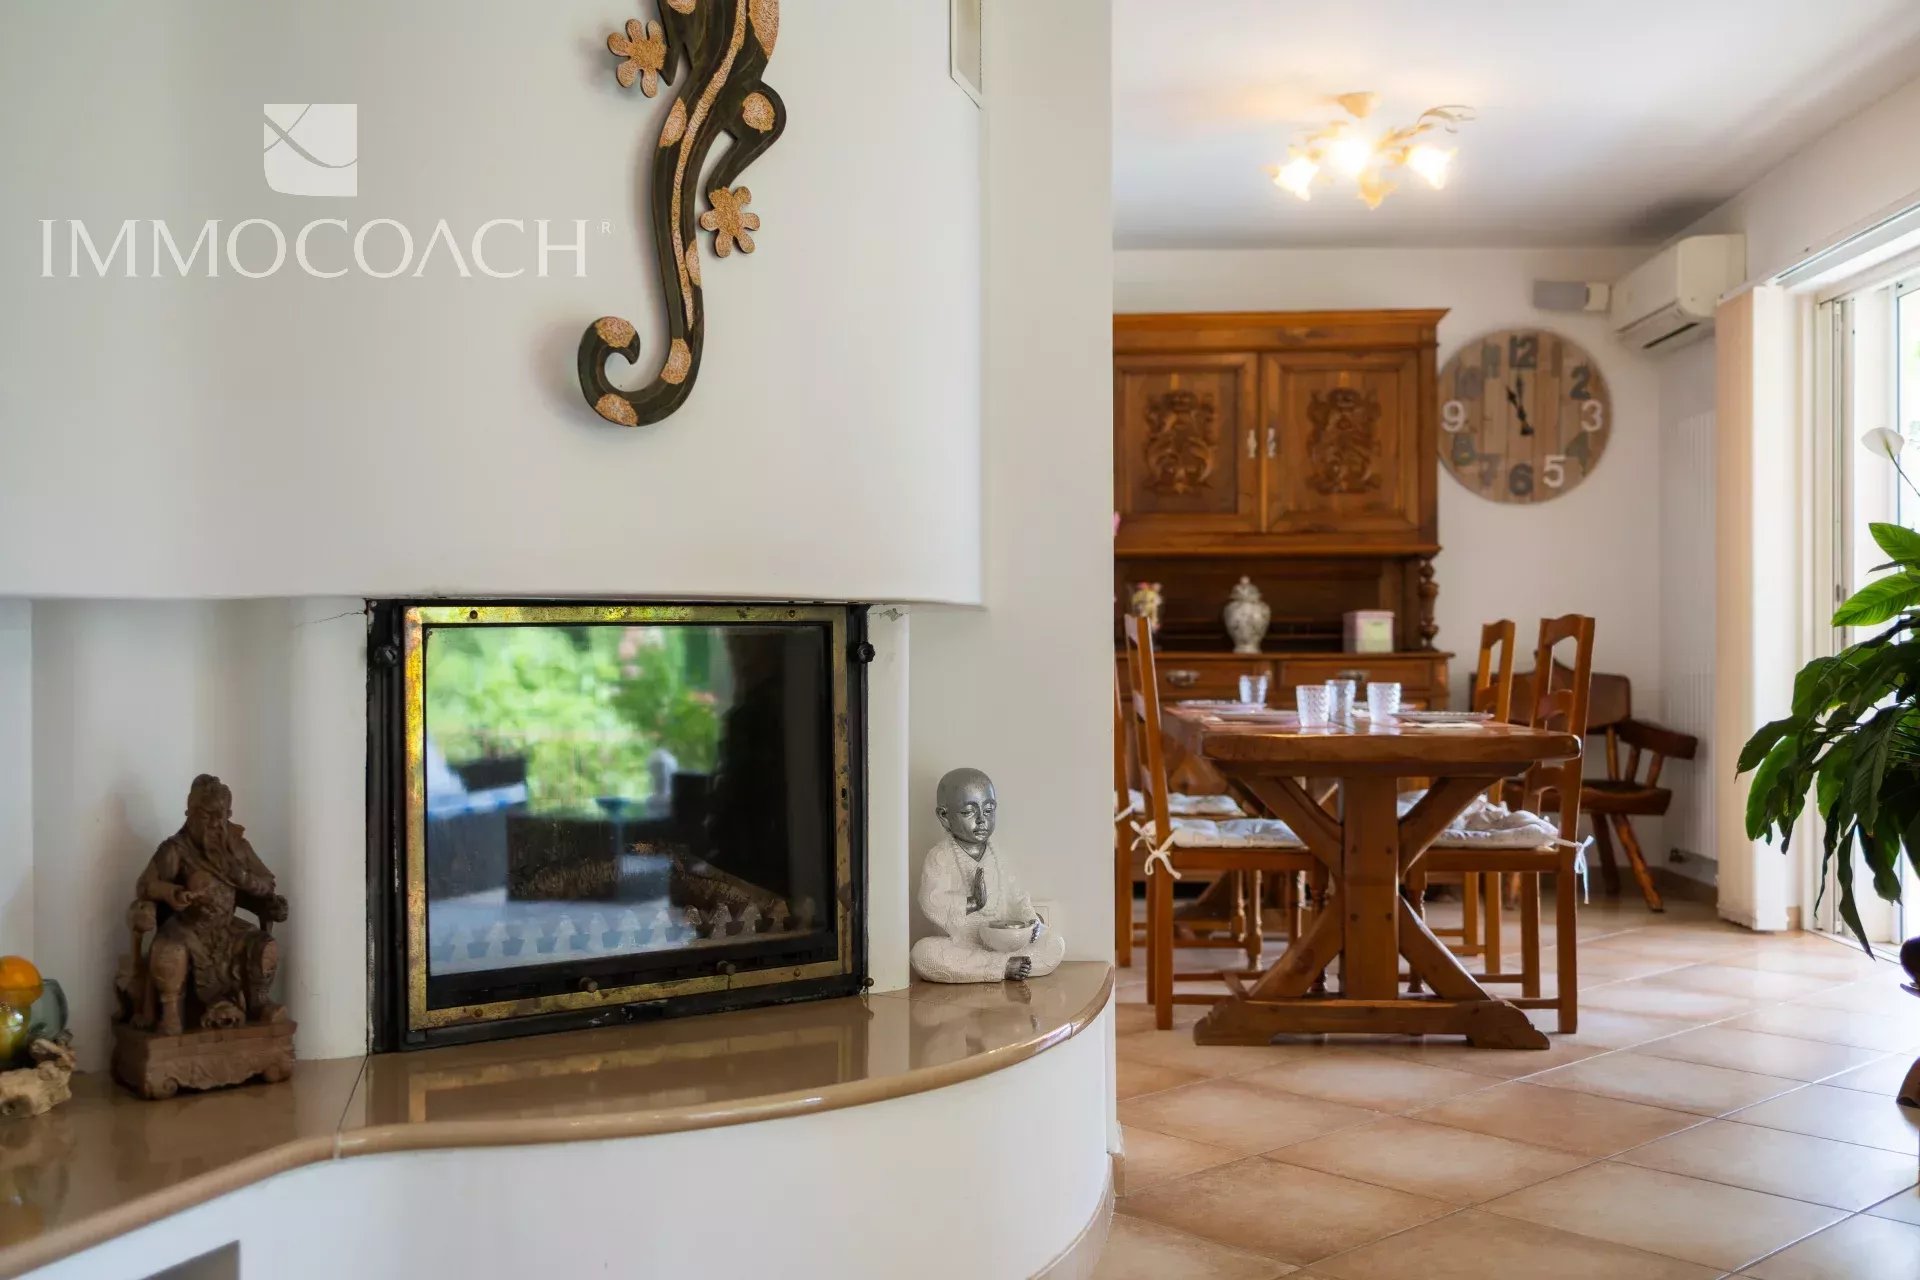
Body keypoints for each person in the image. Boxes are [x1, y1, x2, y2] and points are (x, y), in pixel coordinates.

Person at [134, 775, 288, 1037]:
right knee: (170, 952)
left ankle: (257, 1003)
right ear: (191, 813)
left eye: (223, 816)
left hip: (227, 927)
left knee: (264, 946)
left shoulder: (237, 847)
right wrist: (173, 892)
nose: (217, 824)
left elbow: (267, 882)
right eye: (208, 816)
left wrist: (241, 877)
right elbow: (145, 885)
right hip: (188, 927)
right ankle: (171, 1012)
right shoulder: (175, 849)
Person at [910, 768, 1066, 983]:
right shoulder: (940, 856)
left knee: (1054, 943)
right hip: (961, 943)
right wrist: (972, 903)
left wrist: (1030, 921)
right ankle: (1000, 967)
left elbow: (1017, 897)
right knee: (923, 954)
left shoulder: (998, 855)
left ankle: (1000, 963)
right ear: (944, 816)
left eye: (989, 810)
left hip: (1004, 942)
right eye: (969, 812)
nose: (982, 820)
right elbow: (931, 901)